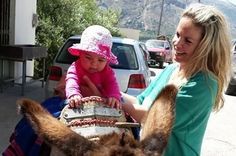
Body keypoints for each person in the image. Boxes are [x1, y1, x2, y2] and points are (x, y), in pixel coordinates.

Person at [120, 3, 232, 156]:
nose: (177, 43)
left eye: (188, 41)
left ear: (205, 47)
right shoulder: (171, 69)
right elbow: (139, 101)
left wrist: (111, 98)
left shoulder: (203, 85)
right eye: (178, 35)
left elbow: (152, 118)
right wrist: (108, 91)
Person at [65, 25, 121, 109]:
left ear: (107, 61)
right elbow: (71, 80)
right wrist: (73, 94)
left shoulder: (107, 71)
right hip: (79, 103)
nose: (94, 64)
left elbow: (112, 84)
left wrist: (114, 96)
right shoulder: (75, 67)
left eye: (101, 60)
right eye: (88, 57)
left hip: (102, 104)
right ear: (80, 54)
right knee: (62, 106)